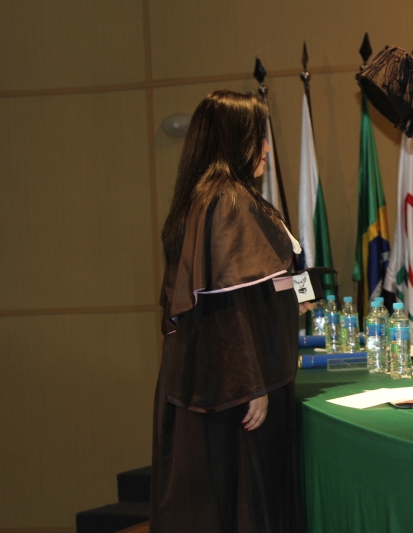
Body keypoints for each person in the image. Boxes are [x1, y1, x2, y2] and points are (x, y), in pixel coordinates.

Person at [151, 91, 306, 531]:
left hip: (224, 384)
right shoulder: (225, 200)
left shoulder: (217, 196)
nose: (267, 148)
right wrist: (249, 384)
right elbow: (224, 306)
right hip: (231, 393)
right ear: (235, 139)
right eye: (259, 136)